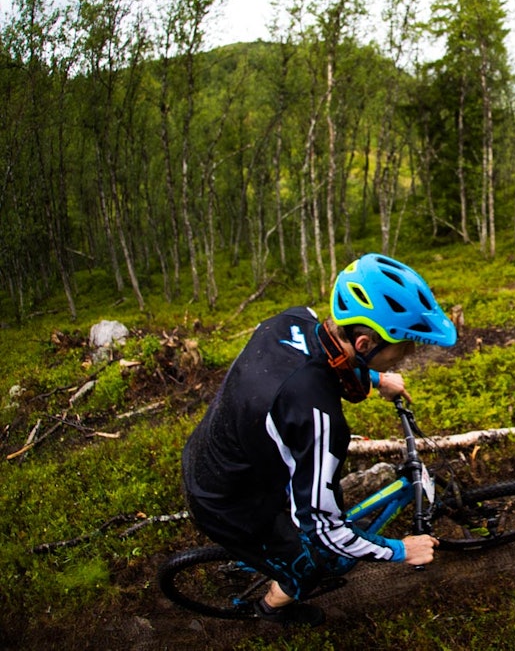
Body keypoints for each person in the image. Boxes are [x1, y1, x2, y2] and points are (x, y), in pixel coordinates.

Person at [181, 253, 458, 626]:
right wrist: (400, 550)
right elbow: (325, 528)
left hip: (216, 450)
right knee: (310, 566)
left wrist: (377, 379)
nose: (407, 355)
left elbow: (309, 364)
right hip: (225, 501)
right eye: (404, 346)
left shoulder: (292, 320)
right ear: (364, 344)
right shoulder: (318, 418)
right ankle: (269, 610)